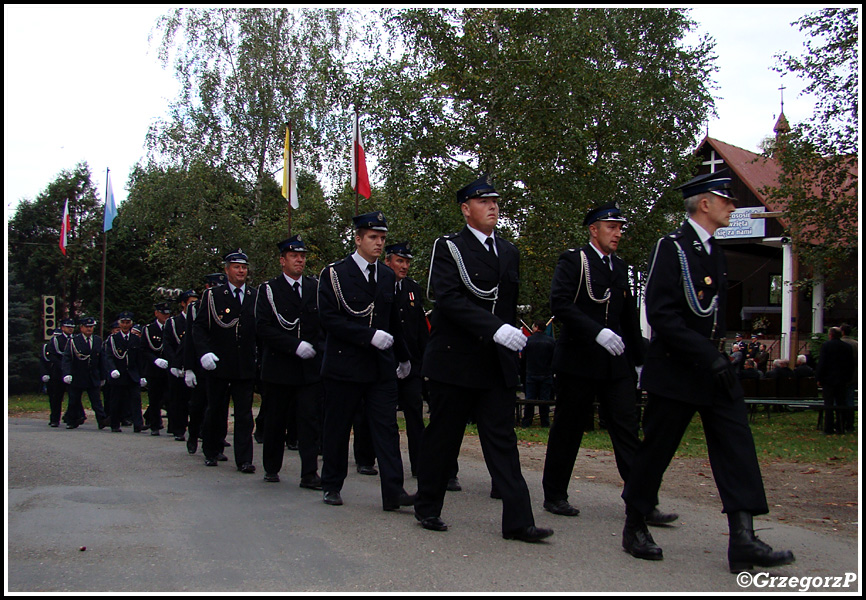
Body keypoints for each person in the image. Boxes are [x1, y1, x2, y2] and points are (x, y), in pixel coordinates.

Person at [621, 169, 794, 572]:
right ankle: (635, 524)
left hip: (714, 369)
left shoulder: (714, 250)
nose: (732, 206)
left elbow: (712, 315)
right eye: (726, 200)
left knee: (737, 446)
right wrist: (706, 353)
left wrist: (722, 355)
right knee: (656, 451)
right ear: (705, 204)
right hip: (678, 369)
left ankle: (744, 538)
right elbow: (661, 314)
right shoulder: (671, 247)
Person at [414, 174, 552, 543]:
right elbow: (449, 299)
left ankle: (519, 521)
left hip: (495, 363)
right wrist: (495, 328)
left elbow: (504, 304)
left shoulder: (508, 251)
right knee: (444, 438)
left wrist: (509, 336)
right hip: (454, 360)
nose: (492, 207)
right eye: (483, 201)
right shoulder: (449, 248)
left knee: (502, 441)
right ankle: (428, 507)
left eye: (495, 201)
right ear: (465, 209)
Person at [541, 201, 675, 525]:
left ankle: (642, 501)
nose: (617, 233)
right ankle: (555, 494)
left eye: (619, 228)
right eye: (611, 227)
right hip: (578, 360)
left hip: (615, 364)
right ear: (593, 229)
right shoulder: (575, 261)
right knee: (569, 429)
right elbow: (559, 303)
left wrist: (640, 361)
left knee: (627, 430)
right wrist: (596, 332)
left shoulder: (621, 267)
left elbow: (628, 318)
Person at [317, 212, 415, 511]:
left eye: (382, 238)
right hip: (345, 365)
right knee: (338, 427)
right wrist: (368, 335)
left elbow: (393, 320)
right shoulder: (334, 273)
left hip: (379, 367)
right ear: (358, 239)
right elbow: (329, 319)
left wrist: (403, 356)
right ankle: (331, 485)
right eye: (373, 237)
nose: (378, 243)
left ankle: (393, 492)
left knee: (386, 429)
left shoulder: (387, 276)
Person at [255, 235, 324, 488]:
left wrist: (317, 349)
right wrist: (294, 345)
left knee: (309, 421)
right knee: (276, 420)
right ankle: (272, 467)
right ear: (282, 260)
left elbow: (323, 324)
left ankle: (309, 473)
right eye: (294, 256)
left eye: (303, 256)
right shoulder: (269, 290)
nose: (300, 260)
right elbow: (263, 328)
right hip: (279, 367)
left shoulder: (315, 287)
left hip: (308, 369)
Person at [193, 250, 258, 472]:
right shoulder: (213, 296)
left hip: (244, 364)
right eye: (236, 267)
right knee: (216, 409)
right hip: (219, 363)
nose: (241, 271)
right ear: (227, 269)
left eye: (244, 267)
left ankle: (244, 459)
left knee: (244, 414)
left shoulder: (254, 295)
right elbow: (200, 327)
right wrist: (204, 353)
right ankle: (211, 450)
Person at [384, 241, 429, 477]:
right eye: (400, 261)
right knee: (384, 418)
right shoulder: (379, 285)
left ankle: (419, 464)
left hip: (411, 364)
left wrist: (424, 361)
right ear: (388, 261)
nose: (404, 266)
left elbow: (420, 327)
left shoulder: (413, 288)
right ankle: (370, 459)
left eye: (407, 262)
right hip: (386, 362)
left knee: (414, 415)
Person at [183, 273, 226, 456]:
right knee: (198, 405)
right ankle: (193, 435)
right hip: (199, 361)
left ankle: (216, 443)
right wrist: (188, 368)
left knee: (218, 406)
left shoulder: (225, 304)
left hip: (217, 363)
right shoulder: (195, 307)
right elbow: (190, 340)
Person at [61, 316, 110, 430]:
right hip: (78, 375)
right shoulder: (74, 341)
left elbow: (102, 359)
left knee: (96, 400)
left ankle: (101, 420)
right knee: (74, 400)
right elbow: (67, 358)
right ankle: (72, 420)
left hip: (92, 375)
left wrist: (103, 375)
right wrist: (67, 373)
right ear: (81, 328)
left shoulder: (97, 340)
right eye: (87, 327)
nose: (89, 329)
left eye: (91, 327)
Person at [102, 311, 146, 432]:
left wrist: (142, 375)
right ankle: (115, 424)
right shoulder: (113, 339)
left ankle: (138, 424)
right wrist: (112, 369)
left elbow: (139, 359)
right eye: (123, 323)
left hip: (132, 374)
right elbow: (109, 356)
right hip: (118, 374)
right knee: (116, 400)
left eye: (128, 323)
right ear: (119, 324)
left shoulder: (135, 339)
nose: (125, 325)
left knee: (136, 400)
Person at [164, 290, 199, 441]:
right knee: (179, 400)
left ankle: (198, 429)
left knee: (197, 402)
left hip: (195, 366)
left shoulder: (199, 320)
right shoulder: (173, 322)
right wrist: (174, 364)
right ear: (183, 304)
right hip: (179, 366)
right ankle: (178, 429)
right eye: (191, 302)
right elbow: (168, 345)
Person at [816, 327, 855, 435]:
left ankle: (828, 428)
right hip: (842, 379)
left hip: (828, 380)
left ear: (831, 335)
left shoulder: (826, 346)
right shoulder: (847, 347)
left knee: (828, 403)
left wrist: (819, 378)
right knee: (841, 403)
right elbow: (850, 364)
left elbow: (822, 363)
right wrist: (848, 378)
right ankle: (840, 426)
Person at [142, 302, 173, 435]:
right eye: (163, 313)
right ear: (156, 313)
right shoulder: (149, 329)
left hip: (169, 369)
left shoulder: (172, 327)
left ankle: (173, 427)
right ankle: (155, 425)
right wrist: (155, 360)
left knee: (171, 398)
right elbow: (144, 349)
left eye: (167, 314)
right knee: (154, 399)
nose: (165, 316)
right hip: (154, 370)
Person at [520, 320, 555, 428]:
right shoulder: (551, 342)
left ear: (535, 327)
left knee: (530, 399)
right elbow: (554, 359)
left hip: (531, 373)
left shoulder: (528, 341)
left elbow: (523, 359)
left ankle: (527, 422)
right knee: (544, 400)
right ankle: (545, 422)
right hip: (546, 374)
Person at [44, 318, 75, 427]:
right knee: (56, 397)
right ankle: (54, 419)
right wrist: (63, 366)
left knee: (73, 396)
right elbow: (52, 355)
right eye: (68, 327)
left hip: (72, 372)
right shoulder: (56, 340)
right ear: (62, 328)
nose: (70, 329)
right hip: (58, 372)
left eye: (72, 327)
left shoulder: (75, 339)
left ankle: (70, 418)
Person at [839, 324, 858, 431]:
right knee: (850, 399)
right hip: (853, 376)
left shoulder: (840, 344)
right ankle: (850, 423)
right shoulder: (856, 344)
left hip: (840, 376)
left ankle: (841, 422)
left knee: (839, 399)